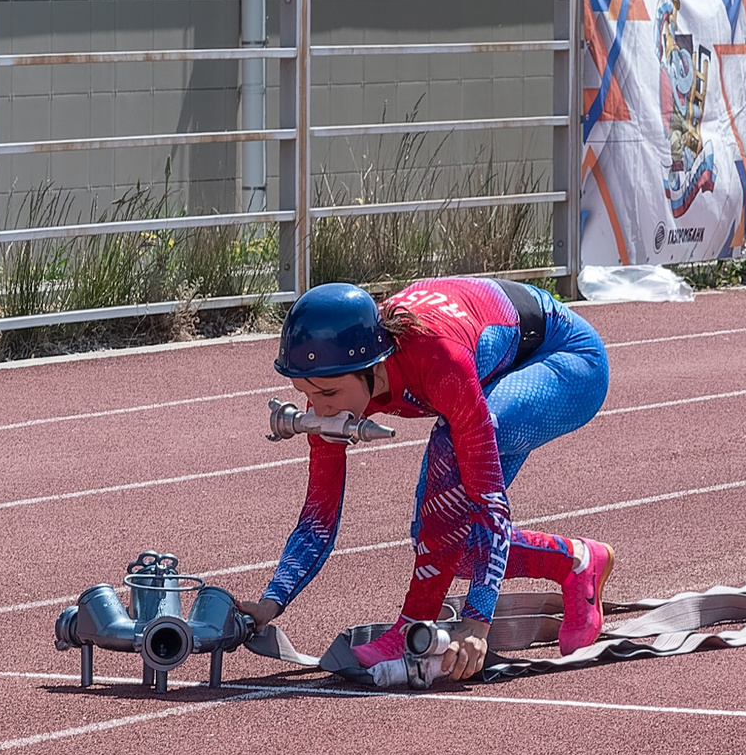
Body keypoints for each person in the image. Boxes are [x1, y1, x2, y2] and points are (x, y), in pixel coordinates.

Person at [240, 278, 616, 682]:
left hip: (565, 357)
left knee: (451, 454)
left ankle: (411, 625)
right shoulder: (330, 380)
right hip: (495, 361)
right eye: (304, 392)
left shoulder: (437, 360)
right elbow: (319, 518)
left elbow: (488, 499)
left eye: (329, 393)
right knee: (440, 543)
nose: (320, 407)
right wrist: (271, 603)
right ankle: (577, 561)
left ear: (372, 366)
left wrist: (477, 622)